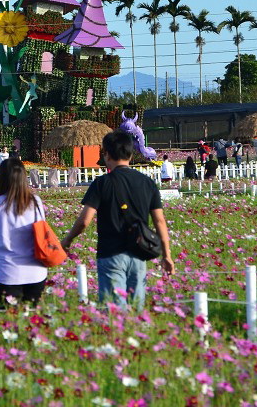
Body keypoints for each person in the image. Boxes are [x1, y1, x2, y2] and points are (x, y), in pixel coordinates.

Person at [60, 130, 174, 309]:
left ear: (106, 154)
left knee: (114, 313)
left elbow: (84, 221)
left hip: (111, 253)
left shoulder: (102, 183)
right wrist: (166, 255)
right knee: (136, 308)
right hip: (139, 254)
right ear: (129, 153)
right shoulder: (147, 183)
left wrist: (68, 240)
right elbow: (159, 221)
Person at [0, 159, 48, 310]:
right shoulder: (35, 201)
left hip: (7, 272)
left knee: (11, 323)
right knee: (33, 322)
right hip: (36, 271)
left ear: (1, 178)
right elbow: (42, 232)